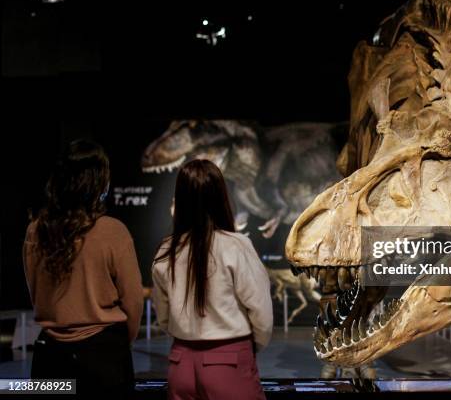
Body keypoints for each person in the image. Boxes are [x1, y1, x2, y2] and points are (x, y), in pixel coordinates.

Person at [23, 140, 143, 398]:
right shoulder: (113, 231)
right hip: (103, 359)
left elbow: (35, 294)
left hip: (49, 357)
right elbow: (133, 302)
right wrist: (119, 345)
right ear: (98, 181)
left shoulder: (35, 230)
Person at [152, 159, 273, 400]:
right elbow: (262, 315)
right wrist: (250, 348)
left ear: (181, 199)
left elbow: (163, 318)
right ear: (221, 197)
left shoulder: (166, 251)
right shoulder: (236, 246)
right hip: (229, 364)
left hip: (180, 364)